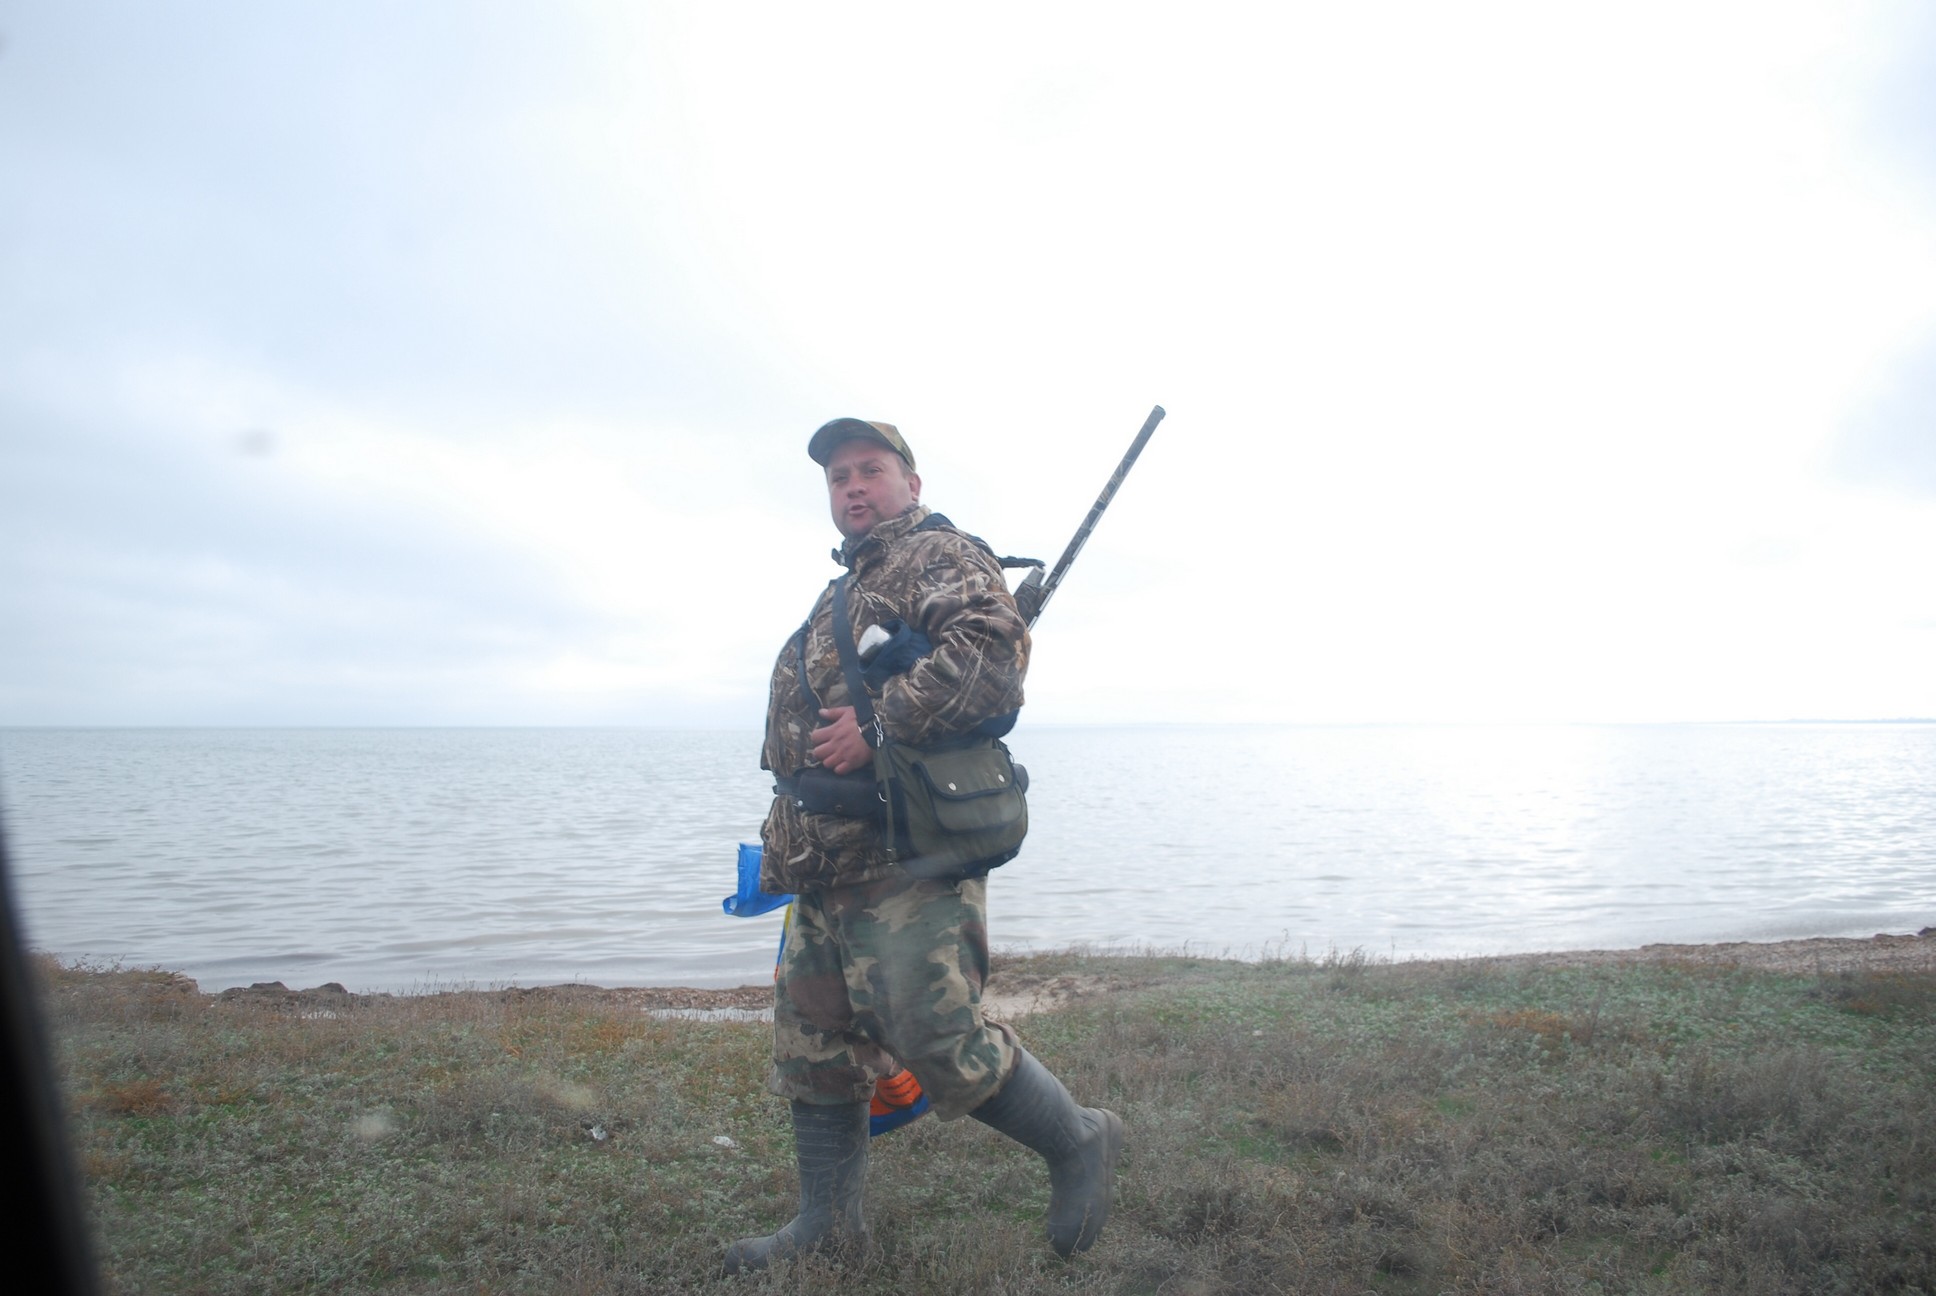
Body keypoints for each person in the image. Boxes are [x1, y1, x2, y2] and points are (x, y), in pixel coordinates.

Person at [725, 418, 1124, 1273]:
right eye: (839, 477)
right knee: (814, 1048)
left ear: (911, 482)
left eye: (870, 470)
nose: (852, 487)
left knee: (935, 1035)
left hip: (903, 853)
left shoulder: (938, 554)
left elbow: (992, 661)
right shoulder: (852, 582)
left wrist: (877, 724)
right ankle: (828, 1229)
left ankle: (1079, 1138)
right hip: (826, 860)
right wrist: (783, 849)